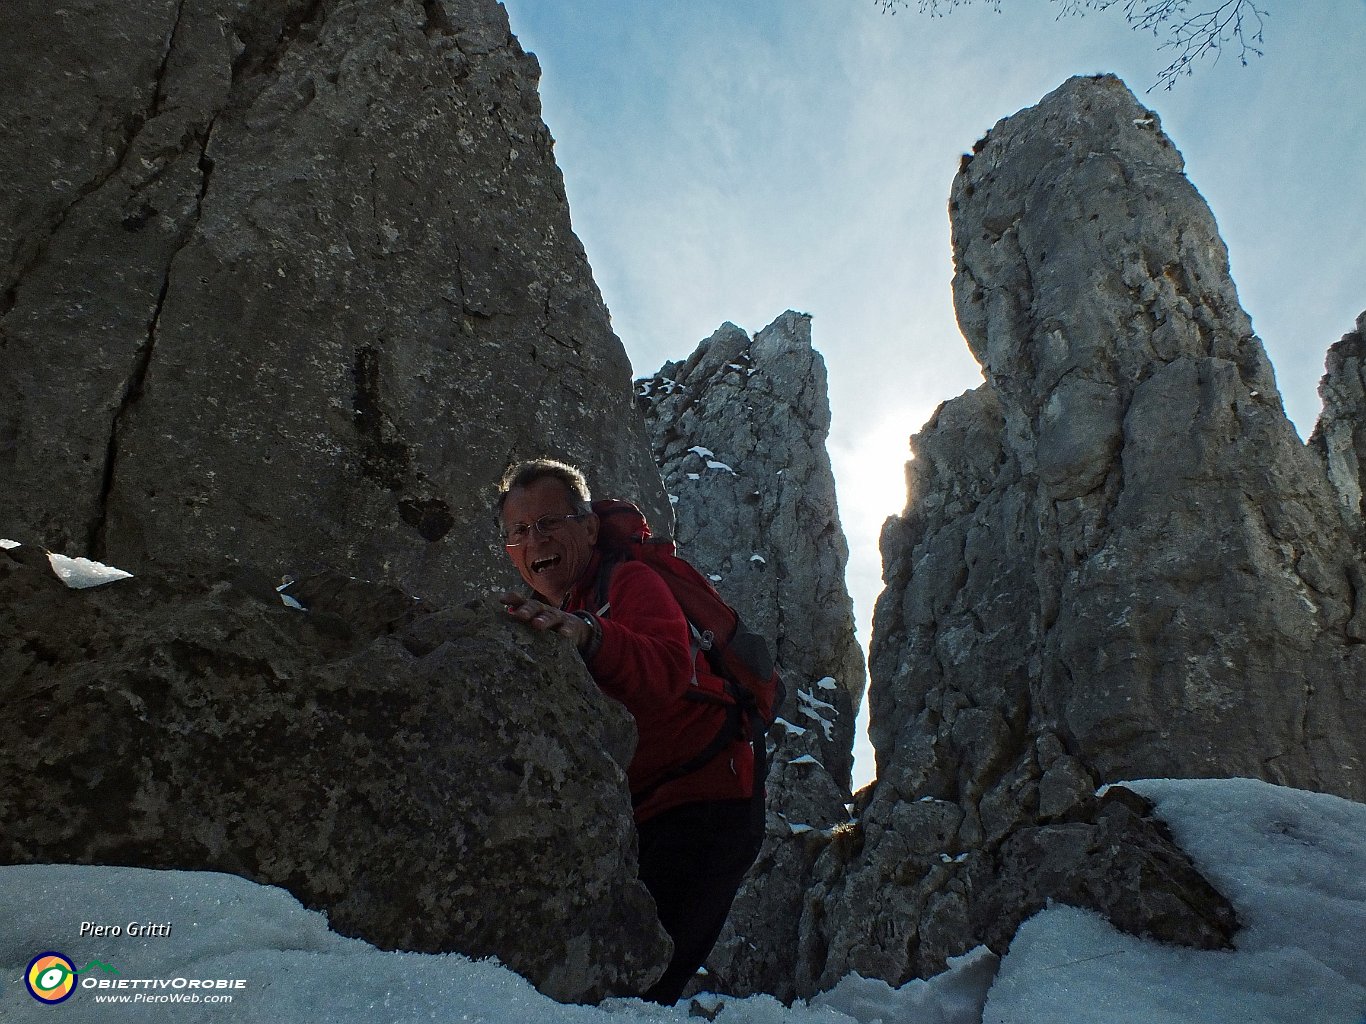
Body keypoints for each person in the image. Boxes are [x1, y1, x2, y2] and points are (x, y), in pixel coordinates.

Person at [495, 458, 762, 1005]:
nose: (533, 540)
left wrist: (592, 636)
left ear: (589, 527)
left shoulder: (629, 580)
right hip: (640, 813)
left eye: (549, 523)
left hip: (706, 803)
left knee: (638, 990)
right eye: (518, 532)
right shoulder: (561, 609)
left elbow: (666, 668)